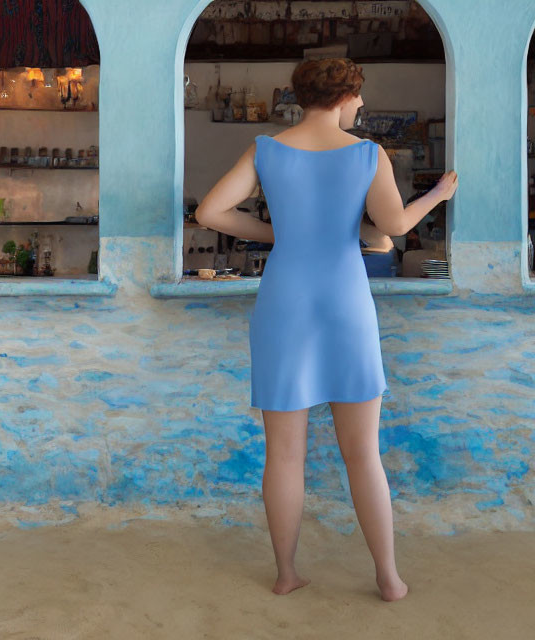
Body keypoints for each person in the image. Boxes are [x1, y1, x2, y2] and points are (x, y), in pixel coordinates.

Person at [194, 57, 458, 602]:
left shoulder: (266, 149)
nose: (361, 106)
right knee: (363, 452)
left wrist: (275, 231)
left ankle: (286, 574)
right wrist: (438, 195)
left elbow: (211, 213)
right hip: (345, 302)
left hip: (284, 301)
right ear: (344, 97)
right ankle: (388, 577)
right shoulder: (367, 154)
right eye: (358, 98)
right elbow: (394, 227)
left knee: (283, 454)